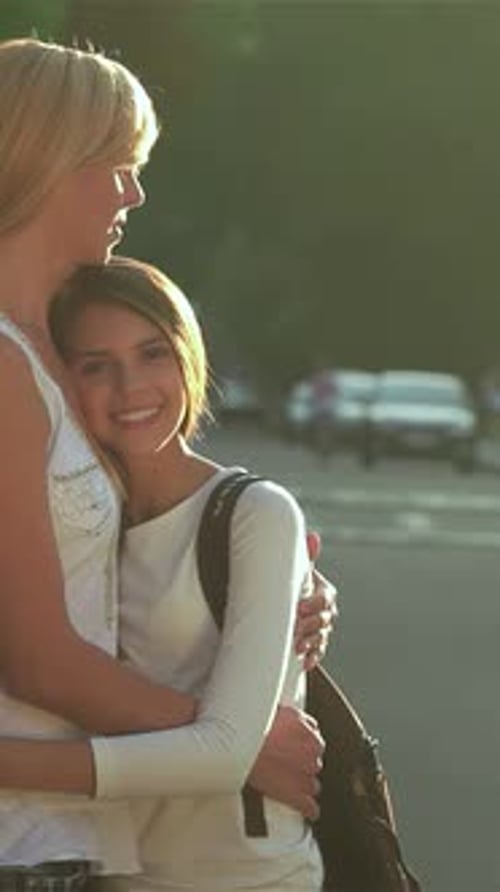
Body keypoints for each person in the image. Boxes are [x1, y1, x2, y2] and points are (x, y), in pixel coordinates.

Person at [0, 37, 334, 891]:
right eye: (117, 164)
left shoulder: (53, 357)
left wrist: (271, 593)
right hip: (22, 842)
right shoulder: (5, 366)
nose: (134, 192)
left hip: (90, 840)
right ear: (47, 157)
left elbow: (118, 560)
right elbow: (38, 658)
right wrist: (236, 742)